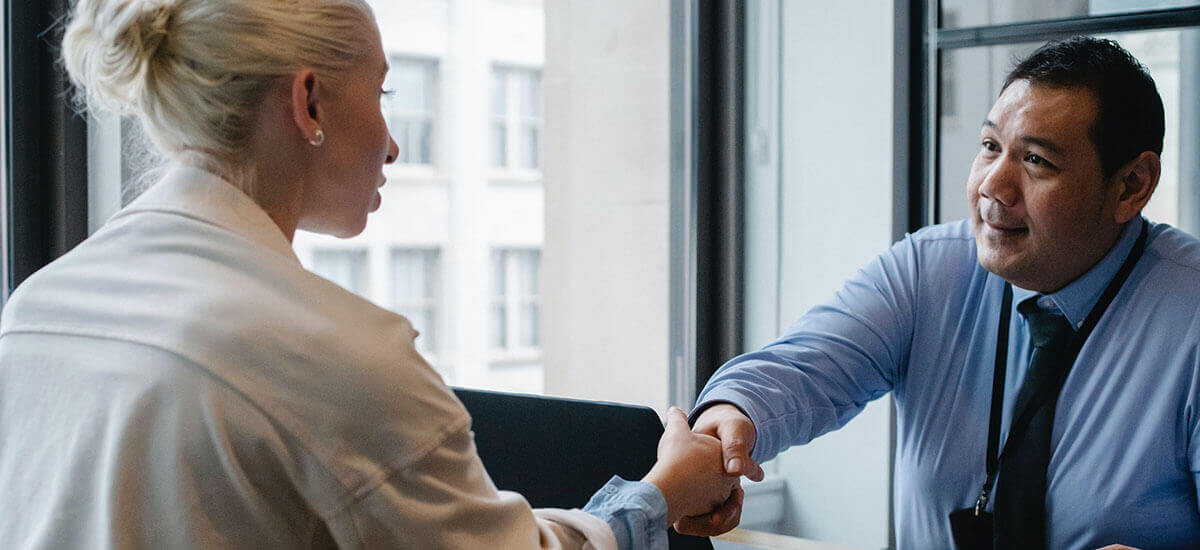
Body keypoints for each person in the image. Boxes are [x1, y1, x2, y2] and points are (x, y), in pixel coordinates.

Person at [0, 1, 737, 548]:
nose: (391, 145)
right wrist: (660, 493)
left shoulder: (36, 309)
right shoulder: (335, 352)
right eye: (382, 93)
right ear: (309, 99)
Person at [679, 36, 1200, 549]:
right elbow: (803, 368)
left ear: (1132, 184)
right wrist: (731, 416)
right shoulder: (931, 268)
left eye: (1037, 161)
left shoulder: (1191, 312)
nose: (993, 187)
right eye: (991, 147)